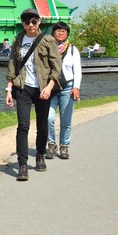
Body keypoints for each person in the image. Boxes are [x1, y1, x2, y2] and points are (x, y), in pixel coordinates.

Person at [5, 8, 62, 181]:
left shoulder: (48, 40)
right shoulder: (18, 40)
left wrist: (50, 86)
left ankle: (39, 155)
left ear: (39, 22)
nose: (30, 24)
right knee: (23, 125)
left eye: (34, 21)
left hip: (43, 87)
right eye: (26, 21)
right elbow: (13, 64)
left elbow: (56, 66)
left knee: (42, 125)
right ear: (22, 22)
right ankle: (22, 163)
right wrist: (9, 88)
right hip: (23, 87)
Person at [46, 22, 82, 160]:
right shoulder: (48, 48)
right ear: (53, 32)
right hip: (51, 86)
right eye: (57, 31)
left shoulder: (73, 50)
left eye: (63, 31)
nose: (60, 33)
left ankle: (64, 146)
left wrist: (76, 87)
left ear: (67, 34)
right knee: (48, 117)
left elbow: (77, 70)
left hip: (67, 86)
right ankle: (51, 143)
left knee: (66, 119)